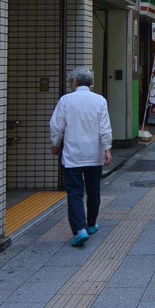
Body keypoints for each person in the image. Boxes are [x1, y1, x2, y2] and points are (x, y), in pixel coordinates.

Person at [50, 67, 112, 247]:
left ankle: (80, 229)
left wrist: (55, 144)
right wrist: (107, 149)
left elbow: (56, 126)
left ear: (74, 82)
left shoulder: (66, 101)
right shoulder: (99, 100)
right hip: (94, 154)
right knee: (93, 191)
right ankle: (91, 224)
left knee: (75, 193)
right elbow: (105, 127)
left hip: (73, 155)